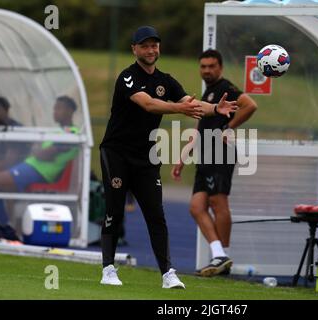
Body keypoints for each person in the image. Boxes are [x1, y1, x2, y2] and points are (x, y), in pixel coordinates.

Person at [99, 26, 237, 288]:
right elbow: (149, 104)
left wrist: (216, 108)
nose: (151, 50)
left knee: (156, 214)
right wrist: (180, 108)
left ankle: (167, 273)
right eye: (145, 46)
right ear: (135, 49)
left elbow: (192, 103)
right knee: (114, 211)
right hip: (116, 153)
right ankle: (108, 269)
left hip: (146, 156)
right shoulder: (127, 77)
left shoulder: (167, 80)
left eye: (154, 45)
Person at [171, 49, 258, 277]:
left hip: (221, 153)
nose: (207, 70)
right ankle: (219, 254)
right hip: (205, 155)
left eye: (211, 66)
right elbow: (200, 130)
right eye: (203, 66)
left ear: (220, 67)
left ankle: (222, 255)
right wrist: (183, 156)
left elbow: (250, 105)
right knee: (196, 207)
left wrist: (228, 128)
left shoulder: (225, 89)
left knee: (218, 203)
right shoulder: (208, 92)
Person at [0, 96, 78, 224]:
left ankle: (3, 224)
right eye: (54, 108)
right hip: (30, 167)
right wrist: (38, 151)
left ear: (70, 111)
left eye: (59, 108)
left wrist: (38, 152)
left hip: (38, 172)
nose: (55, 112)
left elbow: (43, 154)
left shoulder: (72, 134)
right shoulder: (59, 131)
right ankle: (5, 223)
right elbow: (38, 150)